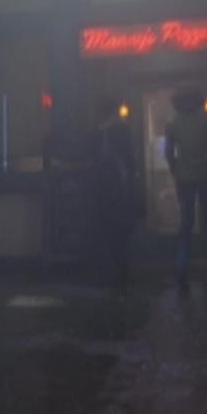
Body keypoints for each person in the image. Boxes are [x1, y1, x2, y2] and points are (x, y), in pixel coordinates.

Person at [165, 87, 207, 291]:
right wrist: (206, 163)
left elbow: (168, 153)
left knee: (186, 223)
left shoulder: (172, 123)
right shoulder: (205, 119)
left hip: (184, 177)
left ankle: (182, 267)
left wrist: (175, 168)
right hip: (206, 175)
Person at [91, 96, 137, 287]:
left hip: (102, 187)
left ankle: (108, 274)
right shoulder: (123, 130)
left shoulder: (98, 133)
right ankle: (122, 273)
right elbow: (131, 160)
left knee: (105, 230)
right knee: (121, 232)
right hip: (120, 186)